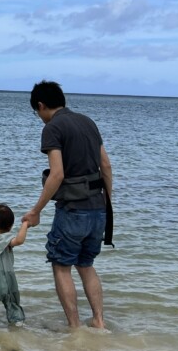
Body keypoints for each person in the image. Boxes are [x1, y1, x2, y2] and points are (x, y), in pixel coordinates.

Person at [23, 80, 112, 330]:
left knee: (61, 266)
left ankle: (74, 328)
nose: (39, 117)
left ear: (41, 105)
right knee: (86, 264)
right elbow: (106, 165)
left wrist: (36, 211)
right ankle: (98, 321)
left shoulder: (53, 127)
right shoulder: (88, 122)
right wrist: (108, 204)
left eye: (37, 112)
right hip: (98, 208)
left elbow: (57, 174)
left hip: (73, 209)